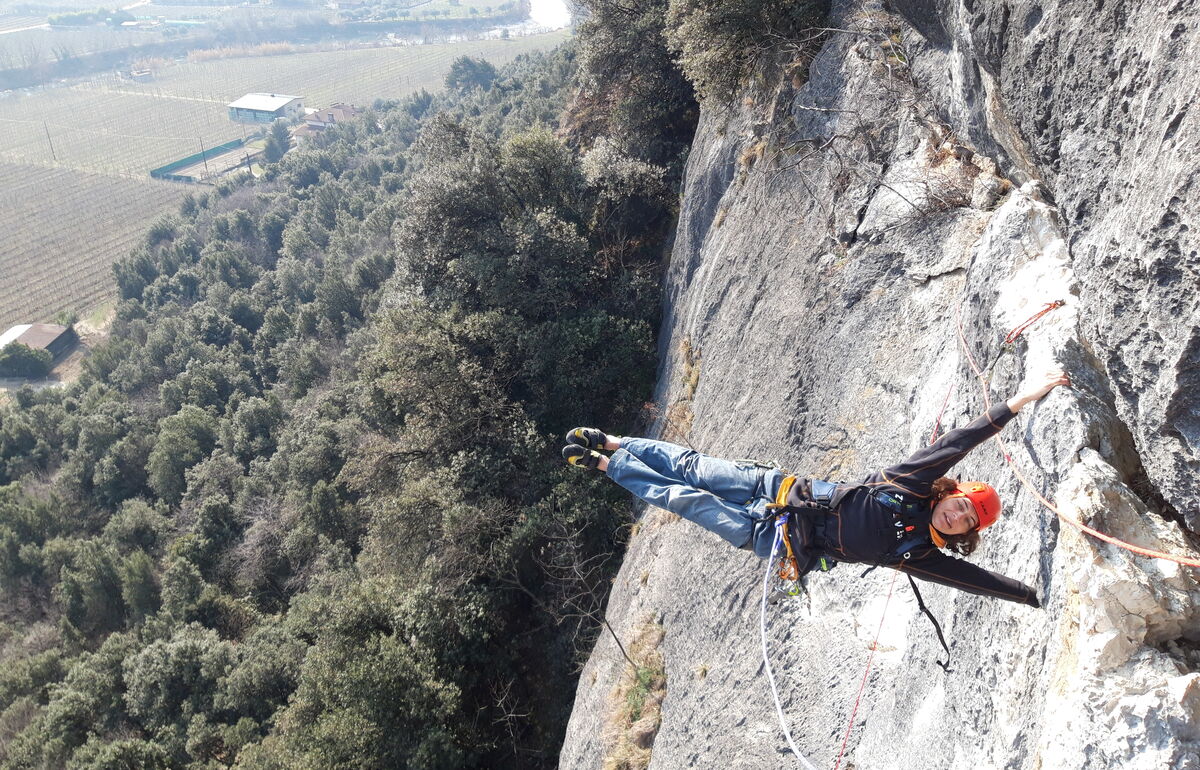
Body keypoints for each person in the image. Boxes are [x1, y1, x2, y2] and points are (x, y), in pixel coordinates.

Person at [562, 370, 1071, 606]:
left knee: (685, 498)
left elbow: (974, 581)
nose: (957, 517)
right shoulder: (912, 483)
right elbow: (961, 439)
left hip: (777, 541)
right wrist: (1023, 399)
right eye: (962, 506)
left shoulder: (918, 554)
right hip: (783, 490)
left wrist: (1031, 596)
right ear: (948, 494)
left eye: (966, 522)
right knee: (695, 469)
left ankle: (610, 468)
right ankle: (613, 441)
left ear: (963, 532)